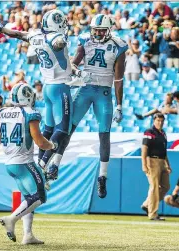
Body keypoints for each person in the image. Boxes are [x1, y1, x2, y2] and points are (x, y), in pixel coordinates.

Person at [0, 9, 74, 183]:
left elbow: (18, 34)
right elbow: (57, 43)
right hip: (60, 87)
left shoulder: (36, 36)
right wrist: (62, 39)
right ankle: (42, 163)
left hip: (48, 87)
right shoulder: (55, 38)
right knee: (63, 129)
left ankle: (40, 164)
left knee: (48, 129)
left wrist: (1, 29)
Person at [48, 14, 127, 198]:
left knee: (104, 134)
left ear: (108, 30)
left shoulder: (119, 46)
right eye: (96, 30)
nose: (98, 33)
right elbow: (73, 64)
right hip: (85, 89)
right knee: (68, 128)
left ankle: (102, 177)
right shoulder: (85, 40)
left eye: (101, 30)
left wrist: (120, 105)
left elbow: (119, 78)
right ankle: (55, 164)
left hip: (104, 93)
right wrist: (77, 72)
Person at [0, 83, 57, 244]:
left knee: (29, 198)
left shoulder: (2, 113)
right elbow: (40, 142)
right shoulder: (29, 113)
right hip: (25, 162)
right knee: (40, 196)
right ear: (27, 96)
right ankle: (11, 219)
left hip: (10, 165)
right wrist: (53, 145)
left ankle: (27, 234)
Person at [141, 113, 171, 221]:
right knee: (154, 187)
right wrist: (144, 164)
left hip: (162, 161)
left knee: (166, 186)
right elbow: (144, 149)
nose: (160, 123)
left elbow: (164, 150)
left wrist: (168, 164)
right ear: (154, 121)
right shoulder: (149, 132)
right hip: (152, 160)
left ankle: (147, 204)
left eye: (162, 121)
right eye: (158, 120)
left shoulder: (163, 133)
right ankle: (153, 214)